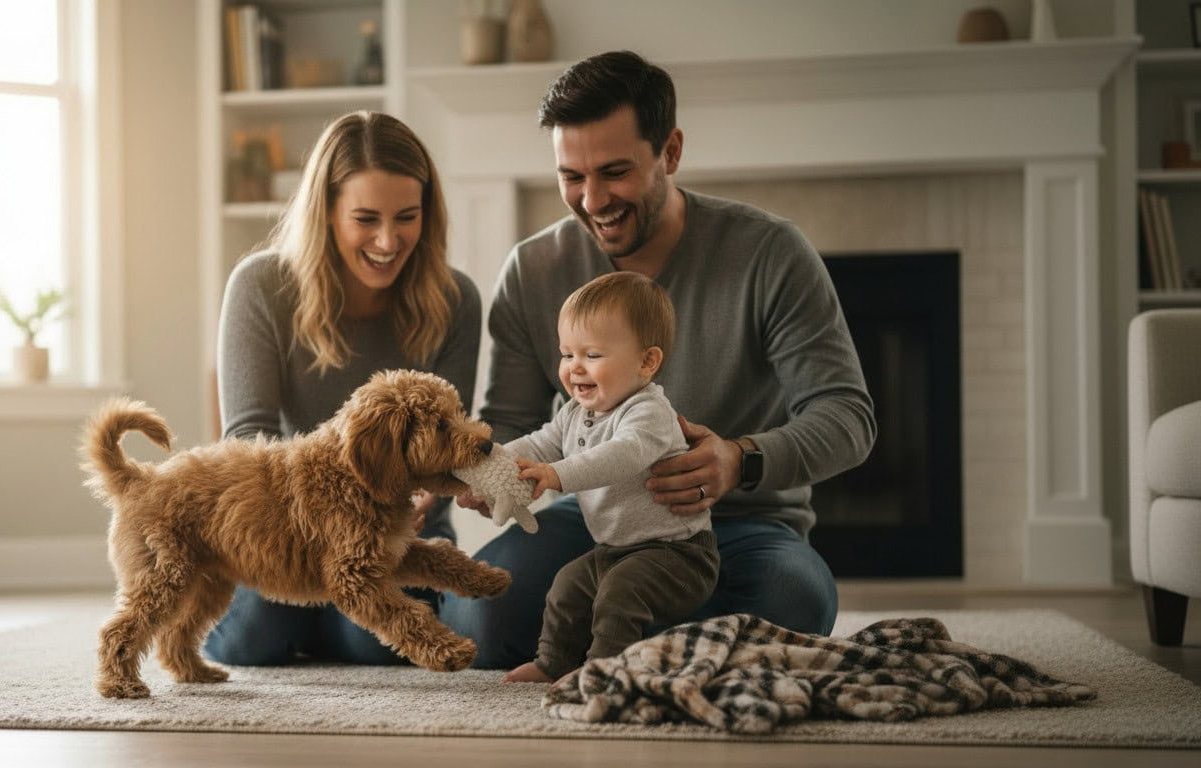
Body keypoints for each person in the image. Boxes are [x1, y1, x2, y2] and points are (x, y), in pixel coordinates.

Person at [442, 51, 876, 669]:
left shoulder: (769, 253)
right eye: (572, 176)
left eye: (614, 172)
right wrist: (495, 477)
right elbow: (511, 425)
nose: (592, 200)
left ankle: (619, 640)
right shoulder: (534, 270)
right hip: (597, 524)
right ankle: (653, 642)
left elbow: (847, 418)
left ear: (669, 153)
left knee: (793, 602)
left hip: (740, 526)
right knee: (479, 614)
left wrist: (738, 459)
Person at [203, 110, 481, 666]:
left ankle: (329, 626)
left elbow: (448, 444)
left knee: (376, 646)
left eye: (407, 217)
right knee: (251, 640)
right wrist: (333, 516)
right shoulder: (260, 286)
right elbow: (248, 438)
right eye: (365, 218)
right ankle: (308, 620)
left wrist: (420, 496)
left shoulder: (456, 301)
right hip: (285, 533)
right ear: (327, 213)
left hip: (396, 536)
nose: (387, 240)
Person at [494, 271, 719, 683]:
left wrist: (556, 474)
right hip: (614, 549)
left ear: (646, 362)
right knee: (567, 587)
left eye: (592, 355)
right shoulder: (576, 412)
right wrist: (493, 465)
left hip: (678, 554)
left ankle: (605, 670)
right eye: (566, 354)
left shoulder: (648, 412)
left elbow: (620, 456)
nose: (574, 368)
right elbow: (541, 443)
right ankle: (553, 662)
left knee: (620, 595)